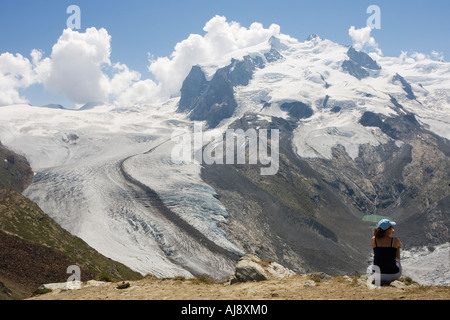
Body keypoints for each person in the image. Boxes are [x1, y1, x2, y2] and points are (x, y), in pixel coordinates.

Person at [370, 219, 403, 283]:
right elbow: (401, 246)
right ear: (388, 230)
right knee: (397, 247)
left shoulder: (374, 240)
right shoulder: (395, 240)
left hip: (376, 275)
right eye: (391, 228)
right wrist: (391, 236)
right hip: (393, 274)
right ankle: (396, 264)